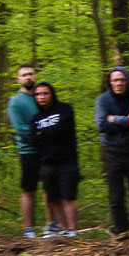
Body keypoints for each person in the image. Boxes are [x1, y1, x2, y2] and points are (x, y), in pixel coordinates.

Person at [95, 68, 129, 238]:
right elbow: (102, 125)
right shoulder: (103, 100)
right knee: (116, 195)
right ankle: (121, 230)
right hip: (111, 151)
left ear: (127, 81)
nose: (119, 83)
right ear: (110, 82)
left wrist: (114, 119)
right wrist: (127, 121)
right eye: (115, 80)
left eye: (122, 80)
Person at [29, 81, 81, 237]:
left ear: (52, 94)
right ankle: (62, 228)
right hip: (46, 163)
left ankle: (72, 230)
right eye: (38, 94)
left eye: (45, 93)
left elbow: (63, 129)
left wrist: (42, 134)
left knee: (68, 196)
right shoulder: (36, 118)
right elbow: (32, 139)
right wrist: (47, 134)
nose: (42, 97)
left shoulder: (64, 109)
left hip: (67, 160)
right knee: (53, 198)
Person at [7, 63, 43, 238]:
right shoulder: (15, 102)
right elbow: (20, 128)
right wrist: (41, 135)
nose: (28, 77)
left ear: (35, 76)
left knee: (50, 189)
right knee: (29, 189)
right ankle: (28, 228)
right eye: (24, 75)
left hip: (48, 150)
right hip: (28, 151)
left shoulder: (42, 97)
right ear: (18, 79)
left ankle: (52, 226)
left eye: (30, 74)